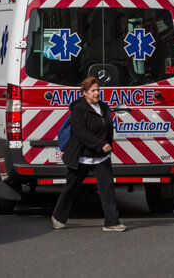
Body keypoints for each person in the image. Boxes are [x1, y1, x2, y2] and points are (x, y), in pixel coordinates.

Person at [52, 77, 126, 232]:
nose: (96, 93)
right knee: (71, 187)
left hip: (100, 157)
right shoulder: (79, 109)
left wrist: (107, 145)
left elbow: (108, 129)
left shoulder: (104, 107)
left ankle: (112, 222)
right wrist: (101, 144)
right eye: (93, 91)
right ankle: (58, 217)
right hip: (82, 156)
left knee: (107, 188)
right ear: (84, 93)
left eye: (98, 90)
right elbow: (80, 132)